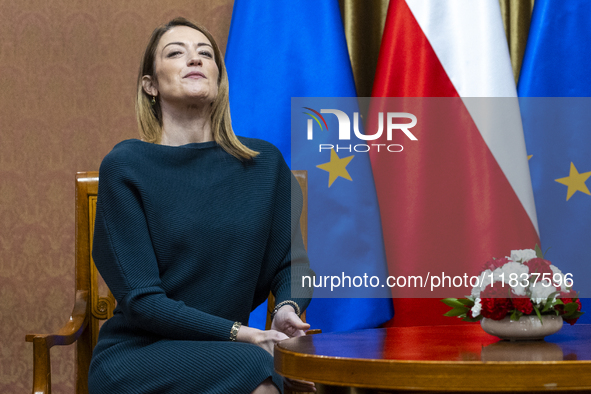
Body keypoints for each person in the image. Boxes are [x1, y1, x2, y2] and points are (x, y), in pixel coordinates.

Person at [88, 17, 314, 394]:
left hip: (235, 350)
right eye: (176, 53)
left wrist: (286, 308)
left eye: (205, 54)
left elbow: (293, 263)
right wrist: (241, 333)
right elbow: (142, 301)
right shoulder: (126, 166)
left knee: (264, 364)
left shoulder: (264, 163)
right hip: (140, 354)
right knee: (261, 367)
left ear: (219, 80)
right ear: (151, 85)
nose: (194, 60)